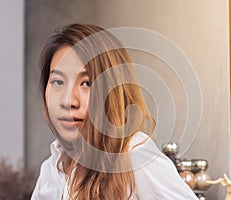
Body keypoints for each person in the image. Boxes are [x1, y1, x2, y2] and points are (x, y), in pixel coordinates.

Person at [31, 23, 198, 200]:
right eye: (58, 82)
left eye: (86, 83)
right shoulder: (52, 167)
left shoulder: (134, 154)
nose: (68, 101)